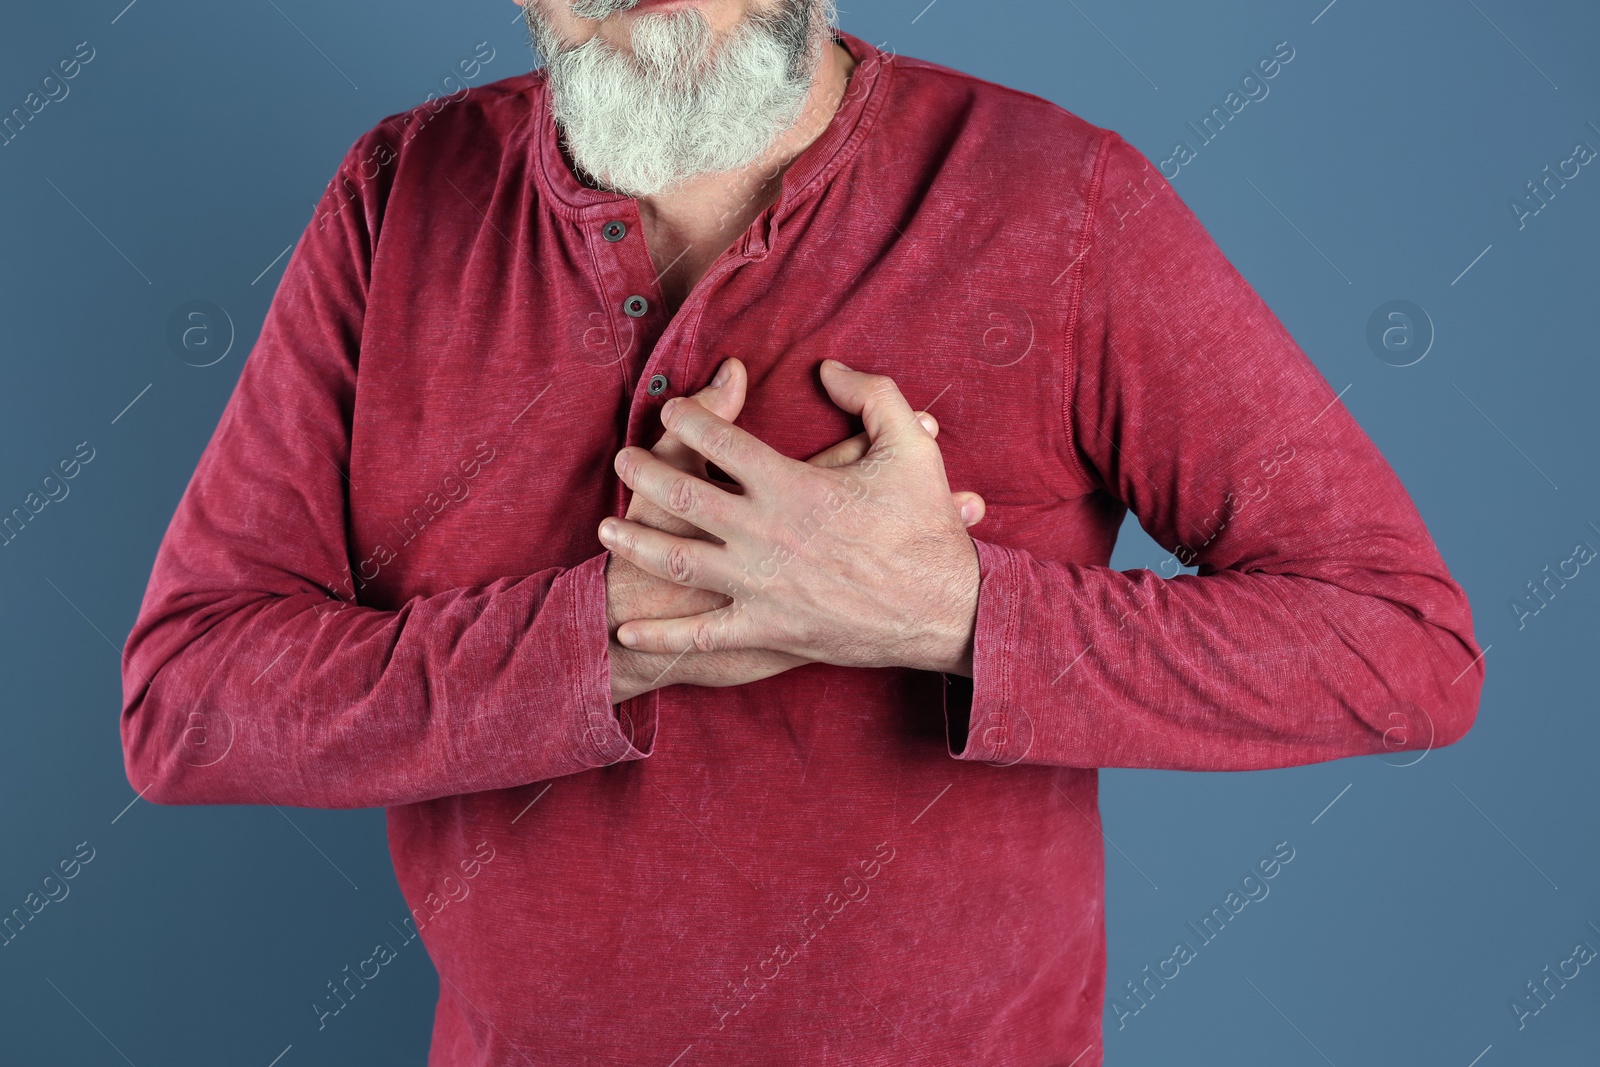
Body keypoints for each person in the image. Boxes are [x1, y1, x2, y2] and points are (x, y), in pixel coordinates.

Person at [120, 0, 1484, 1062]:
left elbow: (1401, 647)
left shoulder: (1060, 199)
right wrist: (595, 644)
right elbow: (186, 704)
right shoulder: (397, 196)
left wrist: (948, 615)